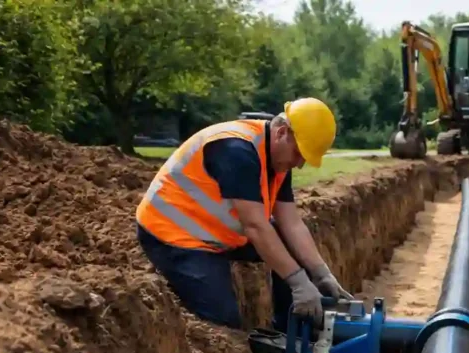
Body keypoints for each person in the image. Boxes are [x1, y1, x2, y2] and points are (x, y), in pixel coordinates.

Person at [135, 97, 352, 333]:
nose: (299, 164)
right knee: (224, 326)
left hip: (215, 230)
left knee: (290, 246)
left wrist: (321, 274)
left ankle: (290, 336)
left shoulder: (278, 158)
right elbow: (256, 227)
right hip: (175, 236)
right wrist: (299, 282)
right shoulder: (237, 151)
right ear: (281, 133)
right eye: (299, 154)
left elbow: (292, 224)